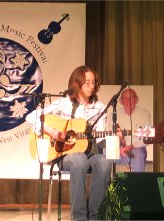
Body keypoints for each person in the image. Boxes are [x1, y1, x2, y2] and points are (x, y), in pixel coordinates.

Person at [25, 65, 112, 220]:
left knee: (105, 162)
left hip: (90, 154)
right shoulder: (63, 103)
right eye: (88, 82)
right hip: (65, 156)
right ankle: (78, 217)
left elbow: (99, 141)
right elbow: (31, 117)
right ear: (76, 84)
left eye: (94, 82)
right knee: (78, 158)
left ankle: (94, 215)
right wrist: (52, 132)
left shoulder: (100, 108)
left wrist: (112, 137)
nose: (92, 86)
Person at [111, 88, 151, 172]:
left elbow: (147, 138)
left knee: (138, 154)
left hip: (137, 149)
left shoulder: (144, 114)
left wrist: (132, 146)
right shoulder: (114, 115)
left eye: (131, 98)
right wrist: (119, 149)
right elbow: (110, 137)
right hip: (119, 150)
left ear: (136, 100)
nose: (128, 101)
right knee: (104, 158)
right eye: (125, 98)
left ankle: (137, 184)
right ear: (121, 101)